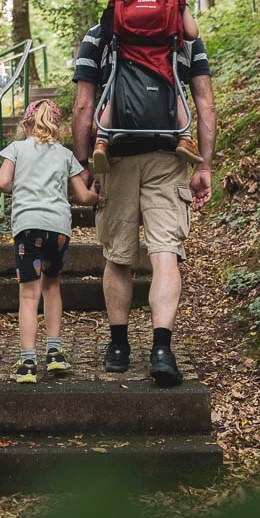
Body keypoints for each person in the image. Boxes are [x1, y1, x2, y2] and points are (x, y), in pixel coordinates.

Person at [72, 20, 216, 387]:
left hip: (115, 153)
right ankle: (162, 350)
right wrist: (205, 165)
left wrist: (83, 164)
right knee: (165, 254)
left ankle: (118, 346)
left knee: (118, 255)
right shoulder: (185, 35)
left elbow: (84, 105)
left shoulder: (100, 33)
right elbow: (204, 102)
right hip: (170, 153)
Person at [0, 100, 98, 383]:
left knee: (29, 295)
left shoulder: (16, 149)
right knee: (52, 286)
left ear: (25, 125)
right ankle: (55, 354)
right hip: (58, 229)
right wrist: (99, 196)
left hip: (28, 227)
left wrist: (24, 187)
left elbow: (2, 182)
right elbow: (83, 197)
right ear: (56, 126)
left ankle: (28, 363)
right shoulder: (65, 155)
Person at [91, 6, 203, 173]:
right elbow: (192, 33)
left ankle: (101, 141)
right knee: (174, 89)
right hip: (162, 54)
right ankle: (185, 137)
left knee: (115, 91)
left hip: (126, 52)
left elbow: (108, 20)